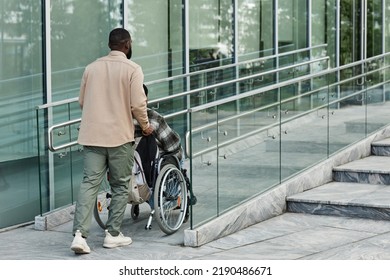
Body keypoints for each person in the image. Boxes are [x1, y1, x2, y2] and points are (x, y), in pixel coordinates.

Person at [70, 28, 153, 254]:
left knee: (89, 184)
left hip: (93, 136)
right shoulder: (133, 69)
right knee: (119, 185)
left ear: (110, 44)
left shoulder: (91, 68)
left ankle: (79, 235)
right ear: (126, 45)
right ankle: (113, 234)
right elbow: (138, 104)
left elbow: (82, 101)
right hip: (119, 137)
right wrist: (145, 127)